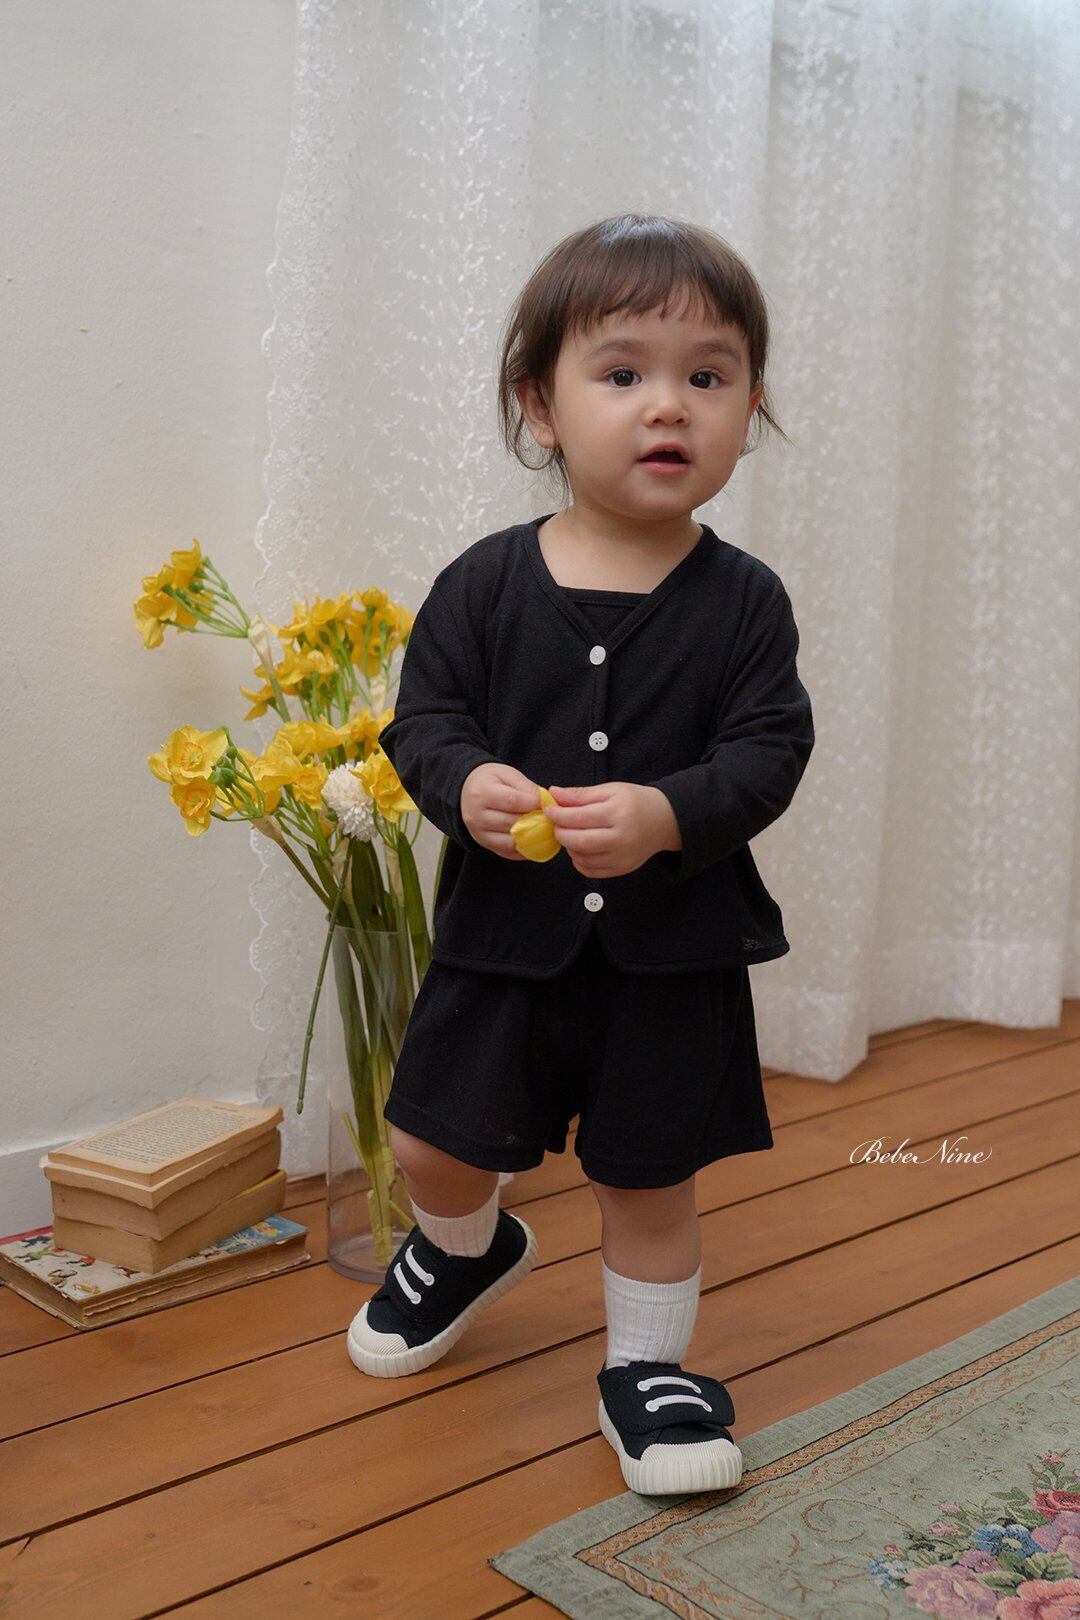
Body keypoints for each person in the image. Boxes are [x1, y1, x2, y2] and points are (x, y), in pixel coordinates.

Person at [347, 213, 815, 1497]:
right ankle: (463, 1248)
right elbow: (423, 722)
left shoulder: (746, 602)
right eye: (622, 373)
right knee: (434, 1140)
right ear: (540, 407)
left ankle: (649, 1371)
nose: (668, 405)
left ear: (748, 409)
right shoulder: (486, 584)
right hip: (503, 943)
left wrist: (666, 815)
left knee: (647, 1175)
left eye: (707, 376)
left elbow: (769, 750)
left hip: (671, 958)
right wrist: (465, 783)